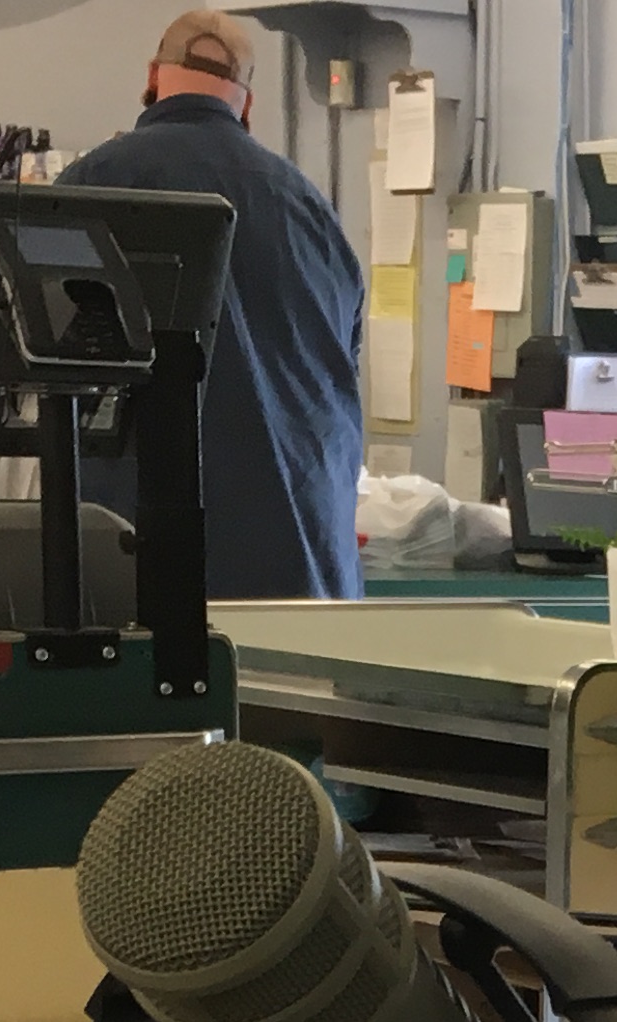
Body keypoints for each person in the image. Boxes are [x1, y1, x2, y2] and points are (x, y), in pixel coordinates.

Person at [63, 8, 366, 599]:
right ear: (246, 104)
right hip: (303, 559)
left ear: (152, 77)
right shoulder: (309, 207)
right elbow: (340, 368)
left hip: (139, 560)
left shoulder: (94, 183)